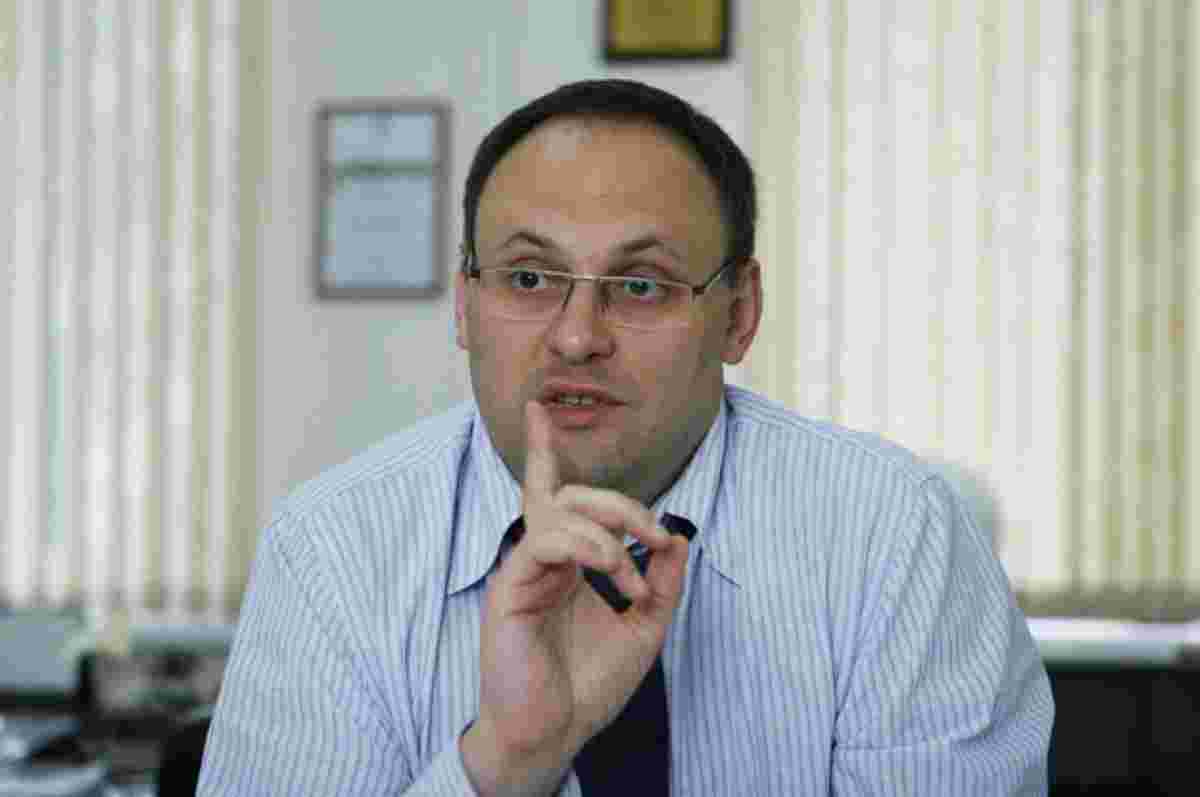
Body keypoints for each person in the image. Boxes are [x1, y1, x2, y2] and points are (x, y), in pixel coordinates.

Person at [197, 79, 1053, 796]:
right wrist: (506, 761)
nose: (577, 337)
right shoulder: (332, 550)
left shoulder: (895, 537)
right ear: (464, 304)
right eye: (529, 277)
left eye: (641, 285)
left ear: (739, 314)